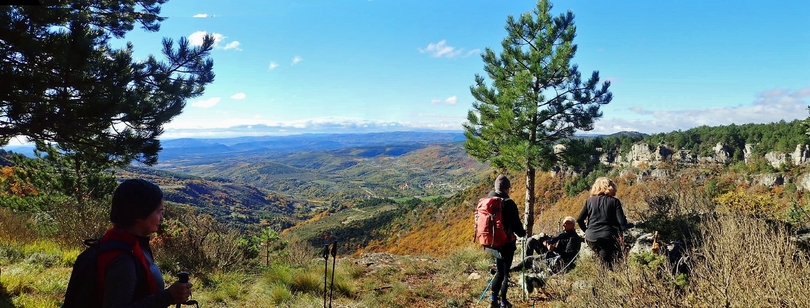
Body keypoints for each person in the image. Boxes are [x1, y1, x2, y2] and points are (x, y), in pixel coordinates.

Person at [97, 179, 192, 307]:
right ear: (140, 214)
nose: (162, 218)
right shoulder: (123, 259)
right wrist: (168, 297)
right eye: (159, 212)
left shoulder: (119, 243)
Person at [484, 174, 526, 308]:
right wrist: (523, 234)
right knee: (505, 274)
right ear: (507, 188)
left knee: (498, 272)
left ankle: (493, 300)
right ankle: (503, 302)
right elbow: (517, 226)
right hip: (506, 243)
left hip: (492, 242)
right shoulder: (508, 203)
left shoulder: (490, 199)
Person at [576, 177, 630, 270]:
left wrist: (587, 231)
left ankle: (602, 276)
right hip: (608, 237)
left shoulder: (589, 201)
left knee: (602, 258)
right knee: (613, 260)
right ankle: (612, 278)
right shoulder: (614, 201)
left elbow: (580, 219)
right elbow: (622, 222)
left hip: (591, 238)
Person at [511, 216, 582, 273]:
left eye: (566, 223)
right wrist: (547, 242)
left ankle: (515, 270)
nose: (563, 225)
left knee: (531, 261)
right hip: (551, 254)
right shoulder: (563, 233)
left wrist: (554, 249)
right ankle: (515, 269)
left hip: (558, 261)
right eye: (563, 223)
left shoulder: (574, 239)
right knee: (530, 241)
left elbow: (569, 256)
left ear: (573, 225)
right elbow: (554, 239)